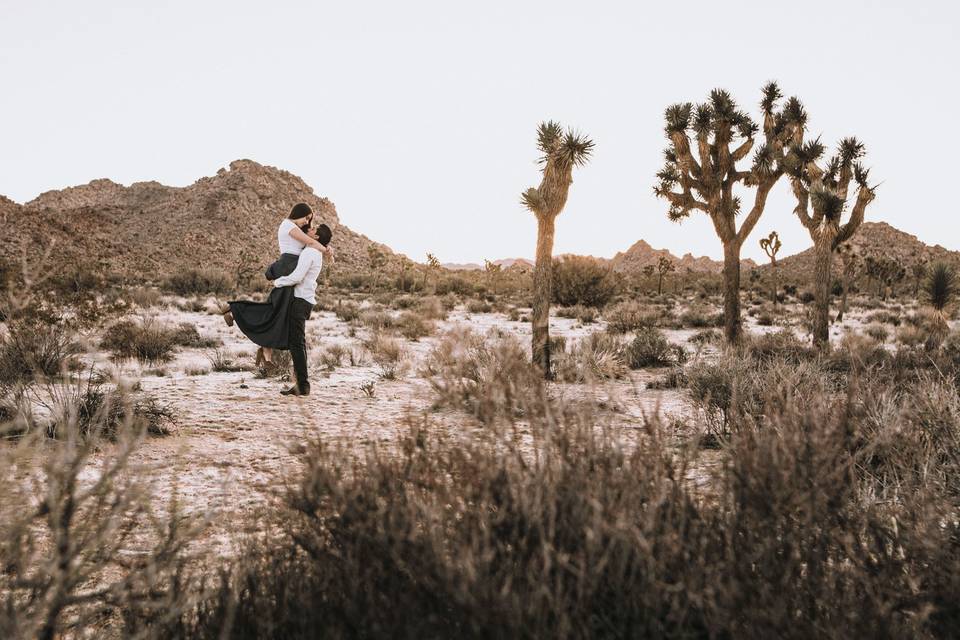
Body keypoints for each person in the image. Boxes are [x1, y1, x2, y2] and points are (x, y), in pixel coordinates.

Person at [223, 203, 332, 369]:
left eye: (309, 221)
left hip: (293, 268)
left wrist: (326, 246)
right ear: (298, 213)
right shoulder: (287, 225)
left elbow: (312, 241)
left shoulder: (299, 230)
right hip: (289, 267)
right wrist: (326, 249)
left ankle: (266, 354)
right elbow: (311, 241)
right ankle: (234, 309)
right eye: (306, 218)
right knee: (275, 310)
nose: (306, 222)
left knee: (278, 311)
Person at [271, 223, 332, 396]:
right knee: (299, 343)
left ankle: (303, 385)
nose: (309, 230)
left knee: (297, 344)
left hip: (300, 301)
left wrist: (278, 282)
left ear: (317, 237)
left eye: (313, 230)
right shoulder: (316, 251)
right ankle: (302, 384)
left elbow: (297, 277)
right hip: (305, 300)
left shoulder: (310, 252)